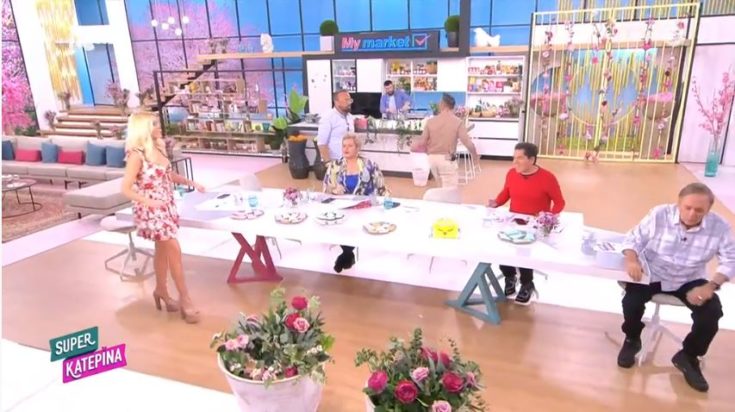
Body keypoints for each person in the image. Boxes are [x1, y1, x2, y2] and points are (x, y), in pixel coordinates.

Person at [618, 183, 734, 392]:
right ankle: (632, 338)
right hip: (653, 271)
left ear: (708, 210)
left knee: (712, 313)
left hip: (690, 277)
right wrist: (632, 260)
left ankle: (688, 355)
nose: (692, 214)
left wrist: (711, 285)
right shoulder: (659, 214)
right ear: (678, 204)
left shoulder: (720, 227)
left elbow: (730, 259)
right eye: (687, 207)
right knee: (631, 302)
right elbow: (632, 238)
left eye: (699, 210)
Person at [121, 112, 205, 324]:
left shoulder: (158, 148)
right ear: (144, 128)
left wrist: (192, 183)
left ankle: (161, 290)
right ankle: (185, 298)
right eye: (155, 124)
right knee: (174, 249)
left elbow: (167, 175)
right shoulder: (136, 155)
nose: (159, 127)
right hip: (151, 210)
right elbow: (126, 188)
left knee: (162, 250)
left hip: (166, 205)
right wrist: (149, 202)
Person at [487, 142, 565, 305]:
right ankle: (509, 277)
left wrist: (549, 217)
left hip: (534, 225)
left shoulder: (548, 178)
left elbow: (559, 202)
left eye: (520, 158)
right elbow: (506, 193)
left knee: (524, 253)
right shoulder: (511, 174)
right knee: (502, 248)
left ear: (532, 159)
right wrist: (496, 203)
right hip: (513, 220)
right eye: (514, 158)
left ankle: (527, 284)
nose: (515, 162)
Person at [323, 134, 389, 273]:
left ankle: (346, 255)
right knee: (343, 223)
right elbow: (325, 189)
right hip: (342, 208)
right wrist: (334, 190)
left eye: (350, 146)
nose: (346, 149)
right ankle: (347, 255)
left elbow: (381, 188)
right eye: (344, 146)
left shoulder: (369, 165)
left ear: (357, 148)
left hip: (365, 207)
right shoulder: (335, 166)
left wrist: (384, 204)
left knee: (354, 224)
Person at [412, 93, 478, 188]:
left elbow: (422, 143)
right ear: (453, 106)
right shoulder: (457, 122)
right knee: (450, 191)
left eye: (440, 102)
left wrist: (415, 147)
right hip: (447, 160)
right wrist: (475, 156)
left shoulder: (430, 122)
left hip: (432, 160)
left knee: (440, 188)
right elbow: (467, 142)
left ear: (443, 105)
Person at [317, 89, 355, 165]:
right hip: (335, 163)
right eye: (346, 100)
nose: (349, 103)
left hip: (349, 162)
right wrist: (329, 165)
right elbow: (322, 144)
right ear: (336, 102)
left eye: (350, 100)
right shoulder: (328, 118)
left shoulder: (350, 117)